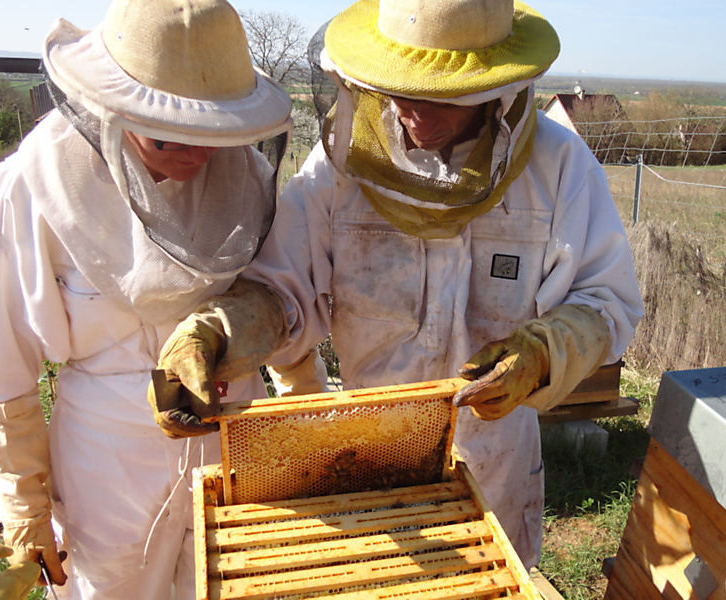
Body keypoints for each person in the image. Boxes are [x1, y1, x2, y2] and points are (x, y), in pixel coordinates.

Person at [158, 0, 644, 571]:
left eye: (441, 97)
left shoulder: (558, 166)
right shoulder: (340, 166)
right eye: (399, 90)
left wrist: (542, 355)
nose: (415, 113)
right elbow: (281, 291)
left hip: (496, 457)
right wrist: (217, 332)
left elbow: (604, 301)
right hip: (368, 451)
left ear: (494, 85)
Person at [0, 0, 315, 597]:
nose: (198, 154)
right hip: (106, 464)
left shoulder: (245, 178)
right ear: (113, 110)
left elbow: (283, 304)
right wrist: (23, 501)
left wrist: (305, 419)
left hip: (235, 430)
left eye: (212, 134)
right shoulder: (27, 189)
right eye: (170, 138)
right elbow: (3, 365)